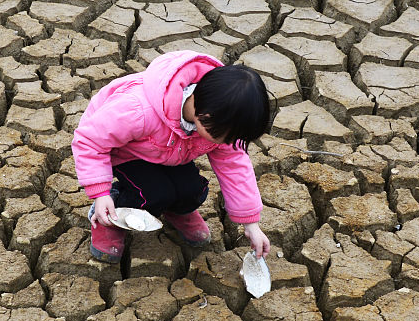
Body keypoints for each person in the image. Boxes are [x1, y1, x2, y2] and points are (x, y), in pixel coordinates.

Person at [71, 49, 273, 264]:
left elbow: (234, 166)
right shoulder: (137, 110)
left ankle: (177, 210)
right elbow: (90, 141)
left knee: (192, 190)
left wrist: (251, 224)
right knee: (154, 194)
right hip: (127, 150)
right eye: (223, 138)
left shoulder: (223, 119)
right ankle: (109, 215)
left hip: (170, 151)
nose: (226, 144)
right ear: (204, 116)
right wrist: (100, 193)